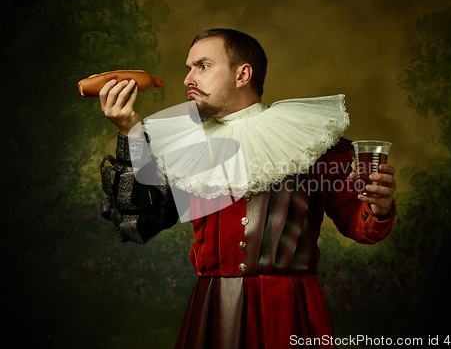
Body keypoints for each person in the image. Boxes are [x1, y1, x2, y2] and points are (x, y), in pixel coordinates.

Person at [99, 28, 397, 349]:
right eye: (188, 68)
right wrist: (130, 132)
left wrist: (378, 206)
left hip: (290, 311)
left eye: (203, 66)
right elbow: (142, 222)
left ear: (242, 74)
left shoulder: (309, 140)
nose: (188, 78)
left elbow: (360, 226)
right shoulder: (185, 143)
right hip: (214, 310)